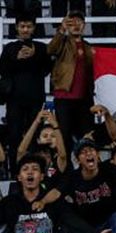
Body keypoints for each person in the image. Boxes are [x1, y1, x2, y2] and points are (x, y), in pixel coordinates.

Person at [0, 14, 51, 166]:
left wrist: (34, 56)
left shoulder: (41, 48)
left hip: (35, 99)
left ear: (34, 28)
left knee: (35, 135)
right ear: (16, 27)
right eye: (22, 26)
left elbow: (47, 70)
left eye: (28, 26)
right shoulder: (9, 48)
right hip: (14, 100)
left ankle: (37, 168)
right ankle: (16, 170)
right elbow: (3, 71)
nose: (25, 29)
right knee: (14, 135)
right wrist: (17, 59)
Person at [47, 10, 93, 145]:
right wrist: (61, 30)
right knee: (64, 137)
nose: (76, 25)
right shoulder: (62, 42)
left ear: (84, 25)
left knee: (86, 137)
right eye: (71, 22)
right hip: (64, 97)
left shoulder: (88, 47)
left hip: (84, 99)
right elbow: (50, 49)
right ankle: (64, 166)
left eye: (79, 22)